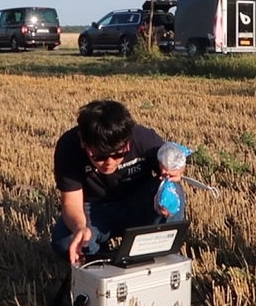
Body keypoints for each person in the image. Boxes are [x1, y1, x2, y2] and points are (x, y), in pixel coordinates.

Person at [49, 99, 186, 266]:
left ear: (127, 142)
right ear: (83, 142)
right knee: (66, 241)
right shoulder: (68, 147)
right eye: (99, 156)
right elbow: (71, 203)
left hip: (137, 203)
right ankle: (99, 262)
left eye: (118, 154)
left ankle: (159, 257)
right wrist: (80, 228)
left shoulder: (145, 140)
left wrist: (174, 170)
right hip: (94, 210)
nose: (109, 162)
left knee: (173, 191)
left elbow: (173, 163)